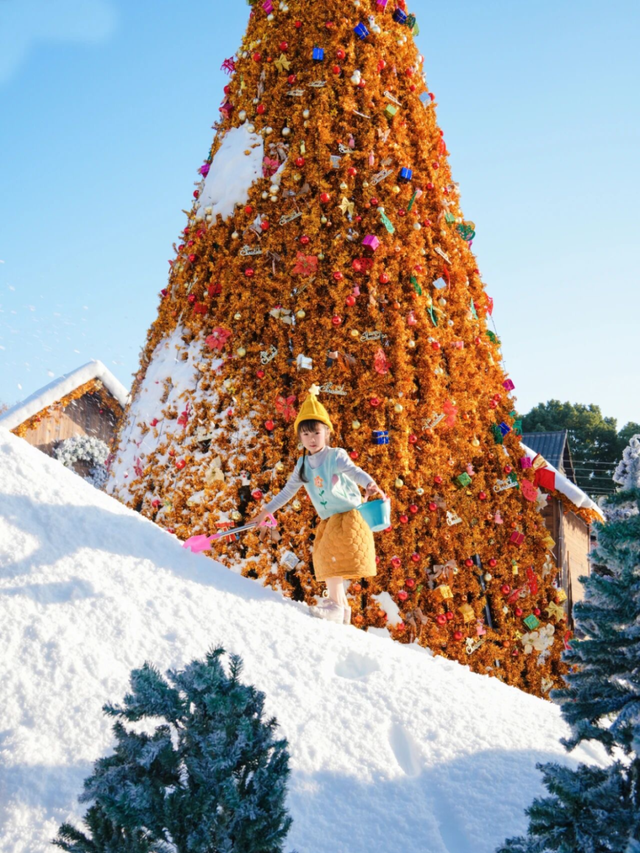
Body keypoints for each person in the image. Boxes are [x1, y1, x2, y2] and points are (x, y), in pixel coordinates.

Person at [249, 388, 385, 625]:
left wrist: (370, 484)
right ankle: (342, 609)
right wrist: (265, 511)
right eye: (305, 434)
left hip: (348, 515)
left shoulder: (336, 456)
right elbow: (287, 491)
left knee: (329, 556)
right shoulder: (303, 465)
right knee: (328, 557)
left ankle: (333, 605)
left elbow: (354, 472)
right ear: (300, 438)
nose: (311, 439)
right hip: (330, 519)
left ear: (327, 432)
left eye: (316, 432)